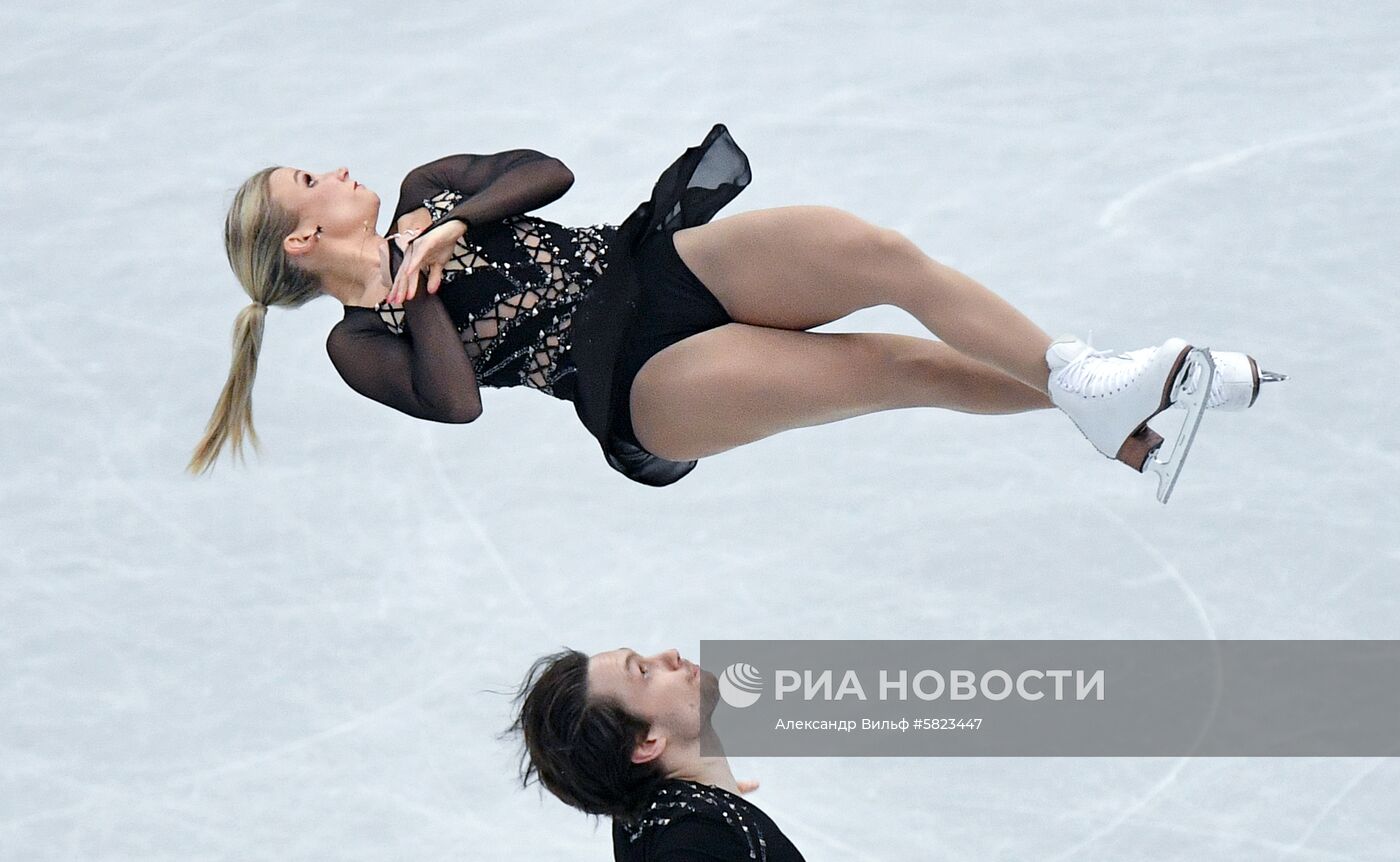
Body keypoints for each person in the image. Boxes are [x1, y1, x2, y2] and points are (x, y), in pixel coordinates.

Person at [189, 123, 1277, 487]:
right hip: (630, 382)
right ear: (301, 238)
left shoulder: (432, 187)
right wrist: (404, 290)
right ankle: (1133, 419)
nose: (333, 169)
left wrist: (445, 228)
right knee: (884, 370)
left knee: (874, 250)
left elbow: (543, 171)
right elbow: (457, 402)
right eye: (308, 181)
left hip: (648, 265)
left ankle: (1099, 393)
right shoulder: (353, 342)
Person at [510, 647, 806, 861]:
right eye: (644, 672)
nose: (670, 655)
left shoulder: (652, 817)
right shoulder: (696, 839)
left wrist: (721, 798)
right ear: (645, 742)